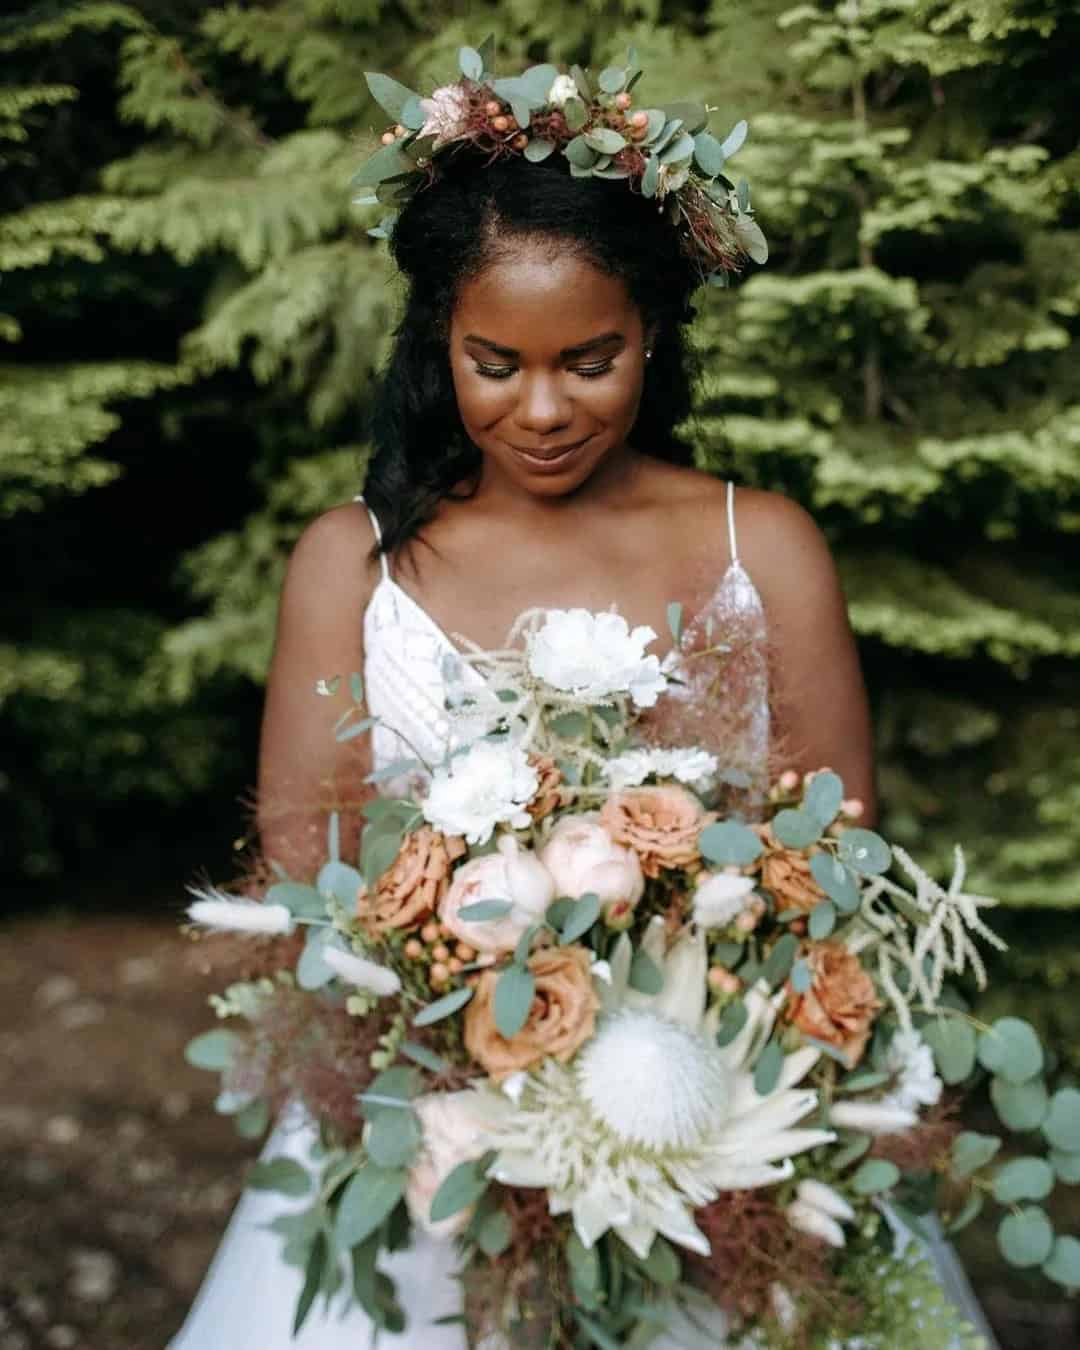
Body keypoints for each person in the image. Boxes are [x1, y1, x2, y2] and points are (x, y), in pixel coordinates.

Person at [169, 130, 990, 1348]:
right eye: (493, 363)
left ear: (652, 335)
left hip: (720, 1123)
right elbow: (300, 879)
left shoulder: (762, 550)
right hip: (428, 1128)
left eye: (591, 360)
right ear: (435, 344)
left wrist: (681, 1039)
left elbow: (837, 870)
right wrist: (478, 1058)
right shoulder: (353, 563)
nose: (543, 410)